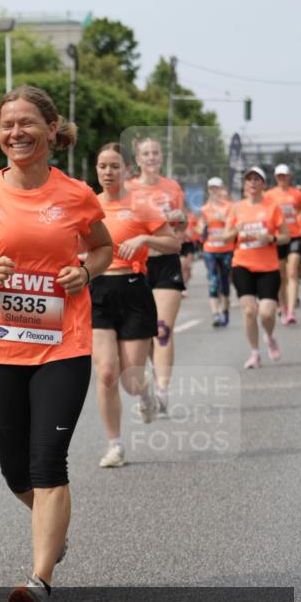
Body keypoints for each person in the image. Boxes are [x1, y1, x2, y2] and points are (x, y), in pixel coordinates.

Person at [0, 85, 113, 602]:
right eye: (7, 124)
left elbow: (102, 246)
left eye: (27, 122)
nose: (16, 132)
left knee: (48, 461)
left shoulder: (76, 194)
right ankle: (51, 528)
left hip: (63, 345)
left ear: (52, 129)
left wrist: (85, 272)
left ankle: (39, 580)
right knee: (15, 471)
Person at [92, 144, 180, 468]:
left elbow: (173, 243)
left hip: (132, 290)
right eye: (103, 166)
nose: (108, 172)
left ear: (126, 170)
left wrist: (145, 239)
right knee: (105, 373)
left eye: (115, 166)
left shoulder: (142, 204)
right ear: (96, 170)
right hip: (98, 291)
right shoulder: (88, 205)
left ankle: (145, 394)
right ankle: (115, 446)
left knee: (130, 380)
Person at [126, 137, 185, 415]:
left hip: (166, 263)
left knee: (162, 328)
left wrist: (179, 218)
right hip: (137, 264)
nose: (151, 157)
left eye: (155, 153)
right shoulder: (128, 189)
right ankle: (149, 380)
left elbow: (180, 228)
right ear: (138, 159)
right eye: (146, 153)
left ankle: (162, 389)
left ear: (161, 157)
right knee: (144, 331)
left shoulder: (172, 187)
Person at [223, 166, 289, 369]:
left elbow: (286, 236)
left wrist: (270, 238)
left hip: (268, 267)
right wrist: (236, 230)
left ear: (263, 184)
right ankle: (255, 352)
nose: (252, 182)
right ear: (244, 185)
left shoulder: (272, 207)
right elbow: (225, 237)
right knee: (250, 311)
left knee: (267, 313)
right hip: (242, 265)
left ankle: (269, 336)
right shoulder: (236, 208)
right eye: (249, 179)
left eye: (256, 179)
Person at [265, 164, 301, 325]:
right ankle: (283, 306)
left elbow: (300, 211)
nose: (282, 178)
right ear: (275, 178)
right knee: (281, 276)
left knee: (292, 272)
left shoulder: (297, 194)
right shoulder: (269, 195)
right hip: (279, 238)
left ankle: (292, 310)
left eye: (284, 175)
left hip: (294, 236)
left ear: (289, 176)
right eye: (279, 176)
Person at [198, 176, 234, 328]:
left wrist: (224, 220)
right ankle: (215, 314)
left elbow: (234, 226)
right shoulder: (204, 209)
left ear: (221, 188)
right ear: (208, 190)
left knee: (224, 282)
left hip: (226, 250)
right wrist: (201, 228)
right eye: (211, 188)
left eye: (216, 187)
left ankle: (225, 310)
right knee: (213, 281)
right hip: (210, 250)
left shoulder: (229, 207)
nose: (214, 190)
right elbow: (200, 230)